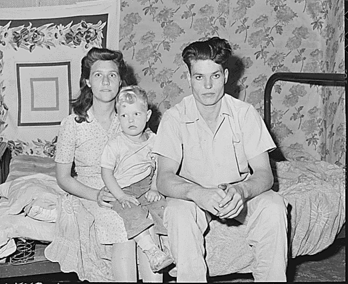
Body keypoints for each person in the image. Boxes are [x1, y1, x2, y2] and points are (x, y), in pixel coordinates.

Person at [153, 37, 288, 282]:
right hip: (194, 195)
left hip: (237, 191)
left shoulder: (245, 114)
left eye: (214, 76)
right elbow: (163, 178)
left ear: (225, 75)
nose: (207, 86)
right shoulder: (174, 118)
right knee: (176, 211)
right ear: (188, 78)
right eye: (198, 77)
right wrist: (197, 193)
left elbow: (264, 174)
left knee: (274, 206)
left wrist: (242, 190)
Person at [55, 47, 162, 282]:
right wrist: (96, 195)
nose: (105, 81)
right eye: (98, 75)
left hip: (131, 187)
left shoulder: (129, 116)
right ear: (87, 81)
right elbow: (63, 178)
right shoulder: (73, 123)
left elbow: (152, 153)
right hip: (91, 191)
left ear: (120, 80)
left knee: (149, 223)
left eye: (112, 75)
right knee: (120, 226)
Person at [101, 85, 173, 273]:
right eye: (124, 116)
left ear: (147, 115)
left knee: (163, 208)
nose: (130, 120)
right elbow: (106, 173)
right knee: (132, 215)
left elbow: (159, 166)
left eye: (136, 114)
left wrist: (156, 188)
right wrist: (120, 196)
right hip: (123, 189)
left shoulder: (154, 140)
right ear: (118, 118)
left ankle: (168, 245)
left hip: (147, 186)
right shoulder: (115, 145)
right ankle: (151, 251)